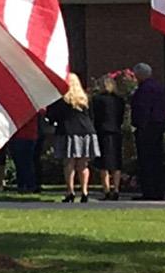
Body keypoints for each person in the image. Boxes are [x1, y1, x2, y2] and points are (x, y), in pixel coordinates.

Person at [50, 72, 99, 201]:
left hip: (68, 132)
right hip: (87, 132)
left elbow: (52, 116)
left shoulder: (61, 99)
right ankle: (84, 192)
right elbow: (92, 117)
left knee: (69, 163)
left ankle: (70, 191)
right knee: (83, 164)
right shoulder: (84, 99)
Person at [131, 62, 165, 202]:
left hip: (147, 128)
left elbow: (143, 109)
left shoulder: (144, 89)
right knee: (157, 159)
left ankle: (149, 191)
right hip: (158, 126)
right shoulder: (159, 88)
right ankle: (158, 190)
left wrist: (138, 125)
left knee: (146, 160)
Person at [92, 67, 130, 198]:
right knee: (116, 161)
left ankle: (107, 190)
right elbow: (121, 116)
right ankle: (117, 189)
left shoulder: (98, 99)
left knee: (104, 162)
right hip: (116, 131)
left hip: (102, 131)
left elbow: (95, 116)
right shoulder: (119, 100)